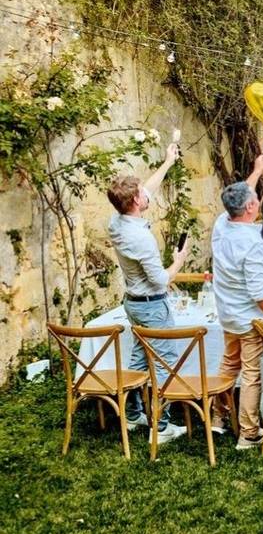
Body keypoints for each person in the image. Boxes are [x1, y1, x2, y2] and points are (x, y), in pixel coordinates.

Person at [106, 141, 189, 444]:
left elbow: (148, 187)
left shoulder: (116, 220)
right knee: (165, 362)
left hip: (132, 303)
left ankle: (132, 415)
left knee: (139, 358)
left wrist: (167, 162)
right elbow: (161, 281)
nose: (147, 193)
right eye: (142, 193)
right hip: (152, 305)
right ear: (137, 202)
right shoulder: (140, 239)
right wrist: (179, 259)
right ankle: (163, 426)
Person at [211, 179, 263, 450]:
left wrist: (256, 171)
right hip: (249, 319)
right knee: (252, 374)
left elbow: (236, 199)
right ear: (251, 206)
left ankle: (219, 418)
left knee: (229, 365)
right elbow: (259, 292)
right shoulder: (253, 244)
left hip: (227, 314)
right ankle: (249, 433)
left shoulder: (221, 227)